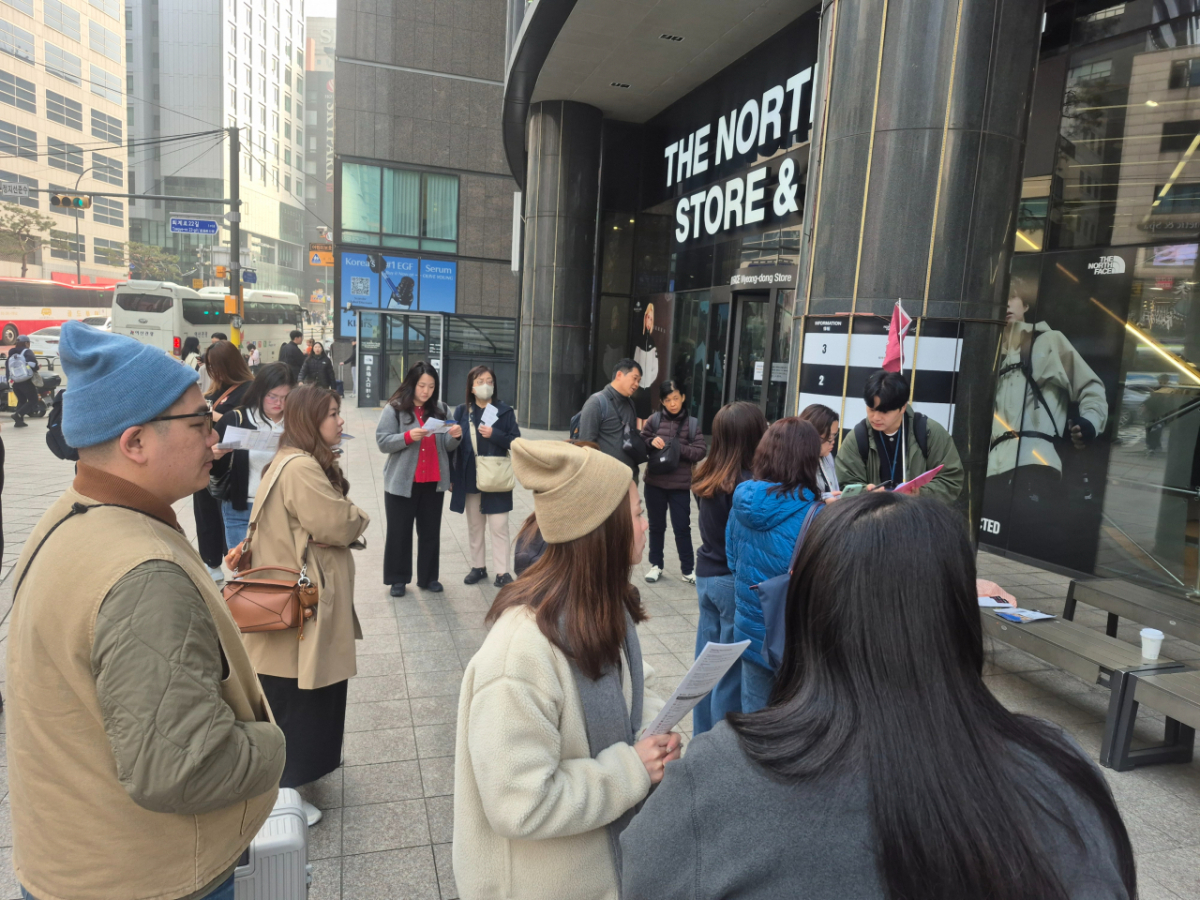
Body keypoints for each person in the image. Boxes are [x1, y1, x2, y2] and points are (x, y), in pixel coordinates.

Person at [621, 493, 1136, 900]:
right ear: (957, 617)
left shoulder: (724, 777)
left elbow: (642, 874)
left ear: (808, 611)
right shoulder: (1060, 771)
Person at [6, 321, 284, 900]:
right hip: (144, 876)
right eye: (200, 423)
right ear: (135, 443)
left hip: (78, 859)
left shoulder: (73, 512)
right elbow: (187, 767)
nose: (216, 439)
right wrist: (274, 743)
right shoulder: (141, 573)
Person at [453, 439, 681, 900]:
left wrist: (658, 730)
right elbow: (519, 802)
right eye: (636, 514)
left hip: (599, 869)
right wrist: (632, 769)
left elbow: (636, 685)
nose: (645, 524)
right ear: (601, 532)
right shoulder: (520, 654)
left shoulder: (600, 607)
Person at [239, 385, 369, 827]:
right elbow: (338, 521)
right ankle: (284, 791)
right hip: (300, 605)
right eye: (332, 413)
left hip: (287, 598)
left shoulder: (291, 460)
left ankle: (290, 782)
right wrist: (356, 517)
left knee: (295, 694)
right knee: (298, 696)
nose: (340, 421)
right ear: (309, 420)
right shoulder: (301, 467)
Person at [727, 417, 824, 714]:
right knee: (791, 723)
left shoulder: (742, 500)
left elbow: (732, 561)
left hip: (749, 631)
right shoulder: (814, 514)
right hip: (793, 642)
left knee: (753, 717)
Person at [690, 401, 767, 734]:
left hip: (705, 577)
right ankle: (718, 749)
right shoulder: (746, 484)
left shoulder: (706, 471)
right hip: (729, 582)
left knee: (704, 669)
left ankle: (700, 739)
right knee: (728, 675)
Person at [376, 361, 462, 596]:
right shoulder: (394, 408)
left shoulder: (442, 409)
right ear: (412, 384)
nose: (426, 391)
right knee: (399, 531)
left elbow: (447, 444)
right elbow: (383, 442)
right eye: (422, 385)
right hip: (402, 482)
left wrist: (455, 435)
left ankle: (428, 578)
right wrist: (407, 436)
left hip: (433, 481)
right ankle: (397, 579)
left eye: (431, 387)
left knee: (430, 532)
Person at [835, 369, 964, 503]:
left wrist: (920, 493)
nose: (876, 417)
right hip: (874, 520)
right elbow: (844, 485)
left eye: (884, 412)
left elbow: (951, 480)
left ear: (902, 408)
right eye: (871, 409)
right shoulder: (858, 437)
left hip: (917, 518)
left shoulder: (929, 432)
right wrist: (867, 492)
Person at [210, 362, 296, 548]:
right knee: (244, 571)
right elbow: (210, 464)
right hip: (242, 509)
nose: (279, 403)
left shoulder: (295, 421)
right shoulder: (236, 419)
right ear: (260, 391)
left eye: (285, 397)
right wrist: (213, 457)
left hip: (285, 509)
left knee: (280, 572)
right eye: (272, 396)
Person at [451, 365, 520, 587]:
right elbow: (452, 446)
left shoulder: (504, 410)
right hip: (471, 476)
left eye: (489, 380)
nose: (485, 385)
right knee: (475, 525)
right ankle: (478, 567)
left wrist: (495, 435)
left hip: (497, 476)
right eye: (480, 381)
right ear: (471, 387)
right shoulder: (462, 411)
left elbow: (515, 441)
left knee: (499, 526)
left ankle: (503, 572)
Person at [193, 341, 254, 582]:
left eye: (216, 366)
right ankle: (211, 564)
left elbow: (249, 425)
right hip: (207, 461)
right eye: (209, 367)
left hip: (233, 465)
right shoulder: (212, 390)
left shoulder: (250, 389)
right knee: (205, 514)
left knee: (225, 516)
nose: (212, 372)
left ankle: (235, 563)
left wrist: (216, 415)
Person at [640, 379, 707, 584]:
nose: (673, 403)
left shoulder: (692, 423)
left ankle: (688, 570)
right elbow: (641, 441)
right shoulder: (654, 420)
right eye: (668, 400)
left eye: (676, 398)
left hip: (679, 487)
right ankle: (656, 565)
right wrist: (651, 442)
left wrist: (679, 448)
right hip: (654, 483)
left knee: (682, 528)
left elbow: (701, 450)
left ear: (683, 398)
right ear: (662, 401)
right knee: (656, 526)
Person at [577, 359, 642, 478]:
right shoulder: (596, 403)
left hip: (628, 478)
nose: (637, 384)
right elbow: (586, 445)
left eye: (639, 381)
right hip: (605, 480)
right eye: (634, 378)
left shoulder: (630, 404)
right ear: (619, 375)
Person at [800, 403, 841, 495]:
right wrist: (824, 499)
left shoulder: (827, 457)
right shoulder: (794, 462)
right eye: (829, 437)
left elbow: (834, 489)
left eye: (834, 435)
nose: (833, 441)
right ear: (813, 434)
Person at [6, 335, 38, 428]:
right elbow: (33, 364)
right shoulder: (27, 352)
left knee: (22, 400)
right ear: (26, 343)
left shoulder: (12, 353)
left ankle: (19, 422)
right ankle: (18, 414)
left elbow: (8, 367)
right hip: (26, 381)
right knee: (33, 399)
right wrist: (36, 368)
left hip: (15, 381)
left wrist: (9, 379)